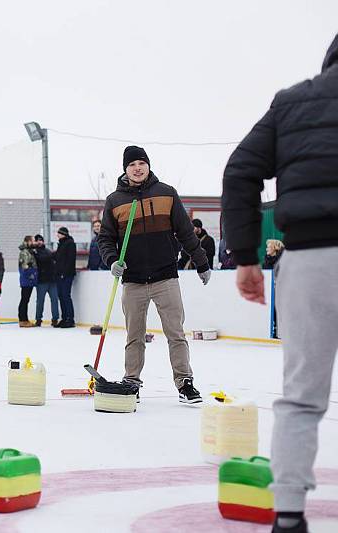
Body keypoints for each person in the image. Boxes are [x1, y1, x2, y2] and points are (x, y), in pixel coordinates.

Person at [221, 35, 338, 533]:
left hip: (310, 258)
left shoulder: (293, 102)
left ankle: (289, 515)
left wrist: (245, 256)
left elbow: (240, 170)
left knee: (301, 396)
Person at [98, 145, 211, 404]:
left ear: (148, 165)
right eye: (132, 164)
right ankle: (132, 382)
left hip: (165, 277)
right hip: (133, 280)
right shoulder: (115, 201)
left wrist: (201, 262)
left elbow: (185, 231)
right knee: (134, 336)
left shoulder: (167, 194)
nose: (137, 168)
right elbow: (105, 238)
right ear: (125, 169)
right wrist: (112, 260)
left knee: (176, 333)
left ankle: (185, 382)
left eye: (141, 163)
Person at [33, 234, 60, 327]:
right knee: (40, 301)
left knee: (55, 300)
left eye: (41, 240)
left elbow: (53, 261)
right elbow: (42, 259)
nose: (39, 242)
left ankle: (55, 319)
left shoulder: (47, 251)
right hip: (41, 280)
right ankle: (38, 319)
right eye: (37, 240)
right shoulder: (35, 252)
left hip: (52, 280)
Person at [53, 227, 77, 328]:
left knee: (66, 295)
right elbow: (58, 258)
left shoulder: (70, 243)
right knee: (61, 296)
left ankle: (70, 319)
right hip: (59, 274)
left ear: (63, 234)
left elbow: (70, 260)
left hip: (67, 275)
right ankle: (64, 318)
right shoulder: (61, 244)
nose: (57, 235)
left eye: (59, 233)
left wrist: (65, 273)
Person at [17, 235, 37, 327]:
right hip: (26, 279)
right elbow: (24, 267)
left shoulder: (30, 251)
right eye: (33, 241)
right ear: (28, 241)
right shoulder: (25, 252)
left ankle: (24, 319)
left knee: (26, 299)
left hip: (29, 279)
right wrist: (31, 274)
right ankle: (22, 319)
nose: (34, 242)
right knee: (24, 299)